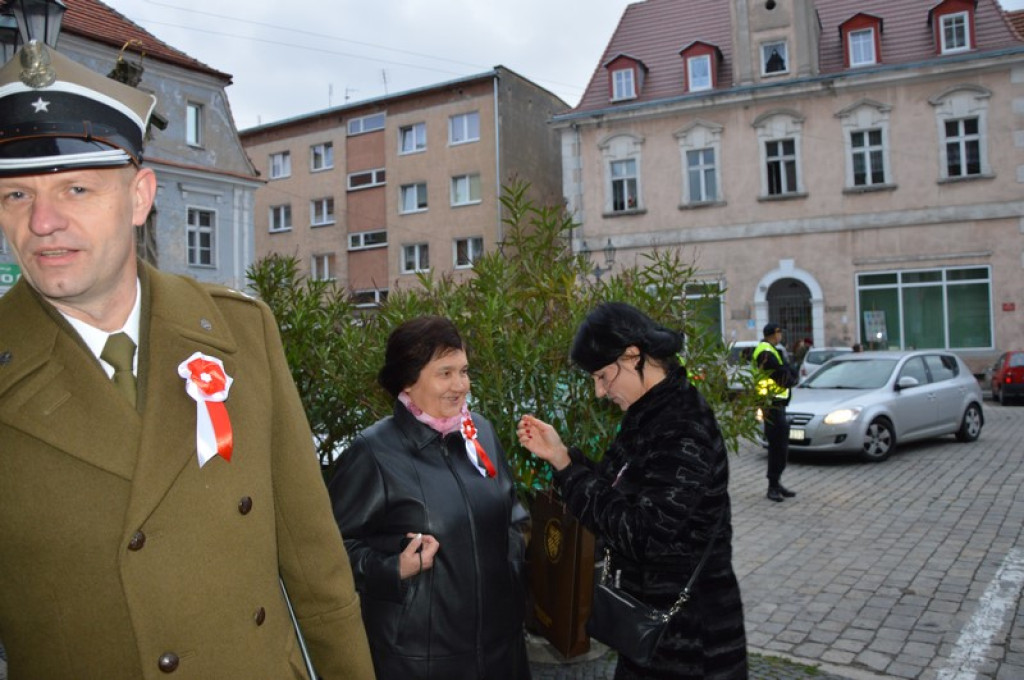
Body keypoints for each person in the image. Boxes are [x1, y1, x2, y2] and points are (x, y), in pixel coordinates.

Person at [0, 41, 373, 678]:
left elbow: (316, 566)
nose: (43, 223)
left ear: (140, 196)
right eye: (16, 196)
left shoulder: (240, 332)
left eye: (77, 188)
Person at [516, 302, 747, 680]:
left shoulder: (683, 427)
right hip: (650, 628)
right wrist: (561, 456)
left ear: (633, 356)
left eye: (604, 376)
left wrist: (568, 469)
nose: (599, 392)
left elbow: (640, 533)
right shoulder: (650, 413)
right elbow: (615, 489)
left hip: (689, 641)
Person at [329, 316, 532, 680]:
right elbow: (330, 550)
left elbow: (514, 514)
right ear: (408, 379)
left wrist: (512, 563)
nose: (461, 385)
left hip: (503, 651)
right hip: (420, 661)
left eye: (465, 371)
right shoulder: (374, 453)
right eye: (446, 373)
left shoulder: (480, 432)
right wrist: (392, 568)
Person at [754, 322, 796, 502]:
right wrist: (790, 374)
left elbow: (788, 371)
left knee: (781, 445)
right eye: (779, 332)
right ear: (772, 333)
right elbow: (783, 377)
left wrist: (790, 372)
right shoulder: (765, 352)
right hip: (770, 403)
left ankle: (777, 482)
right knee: (776, 445)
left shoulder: (774, 350)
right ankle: (772, 485)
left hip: (778, 403)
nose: (781, 335)